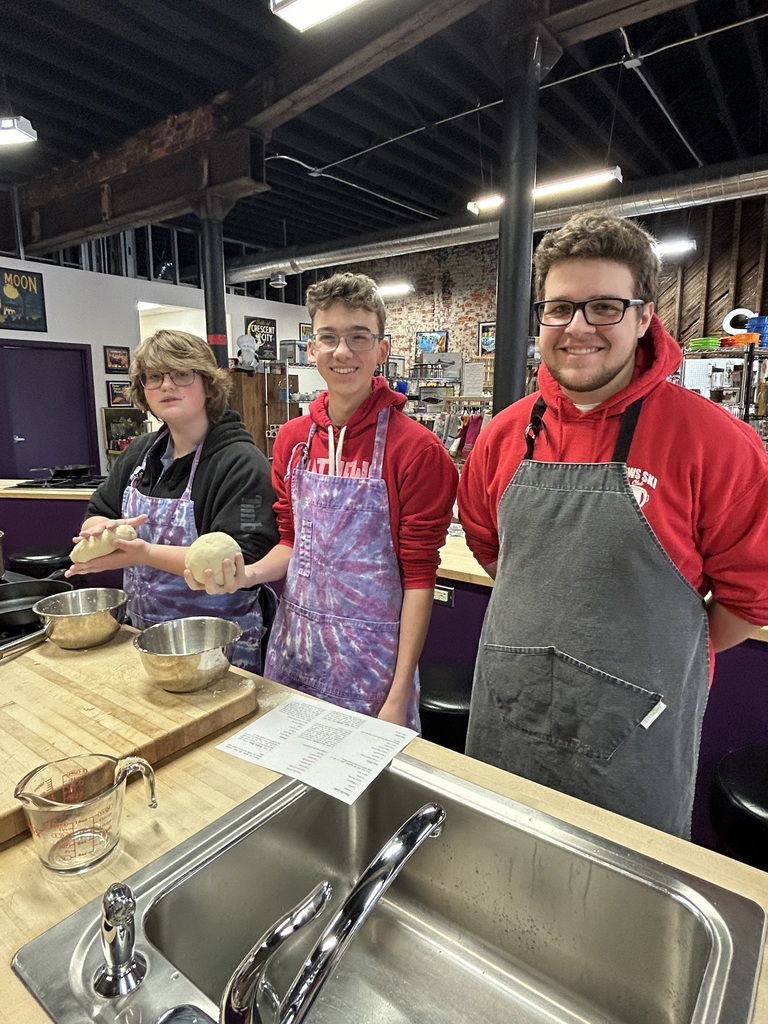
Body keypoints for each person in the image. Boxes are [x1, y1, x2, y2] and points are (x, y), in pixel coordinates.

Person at [458, 212, 768, 839]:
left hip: (636, 741)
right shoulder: (502, 435)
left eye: (604, 307)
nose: (578, 328)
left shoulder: (716, 444)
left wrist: (663, 649)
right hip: (507, 719)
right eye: (560, 308)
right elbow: (493, 550)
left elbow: (749, 598)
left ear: (644, 317)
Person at [185, 272, 458, 728]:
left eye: (358, 337)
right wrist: (245, 575)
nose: (343, 352)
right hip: (295, 654)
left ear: (382, 350)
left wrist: (398, 691)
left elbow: (418, 577)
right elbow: (291, 544)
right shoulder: (293, 439)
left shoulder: (417, 450)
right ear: (312, 349)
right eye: (328, 337)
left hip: (373, 670)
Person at [66, 329, 279, 673]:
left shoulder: (239, 462)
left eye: (181, 374)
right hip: (146, 635)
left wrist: (145, 554)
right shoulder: (140, 452)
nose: (166, 385)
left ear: (208, 384)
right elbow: (99, 511)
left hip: (219, 649)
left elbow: (241, 560)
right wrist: (102, 532)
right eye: (154, 377)